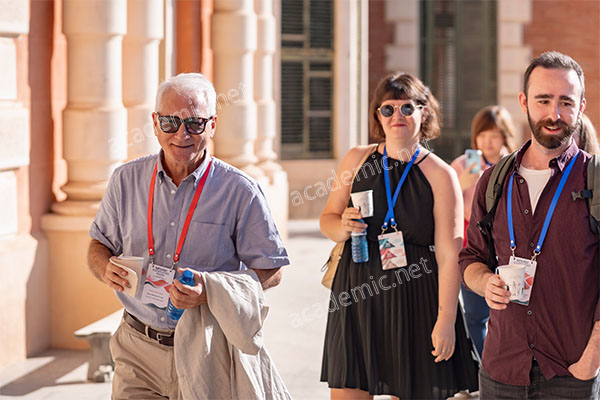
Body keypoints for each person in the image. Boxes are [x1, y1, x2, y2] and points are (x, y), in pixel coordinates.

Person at [87, 73, 290, 399]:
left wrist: (209, 291)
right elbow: (99, 245)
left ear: (212, 125)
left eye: (195, 123)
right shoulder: (125, 180)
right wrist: (104, 267)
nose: (182, 134)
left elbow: (272, 270)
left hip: (205, 349)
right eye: (170, 122)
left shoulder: (240, 191)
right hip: (136, 348)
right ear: (155, 123)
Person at [320, 72, 479, 399]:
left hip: (415, 298)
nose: (397, 116)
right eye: (388, 109)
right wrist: (343, 227)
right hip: (357, 295)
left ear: (424, 112)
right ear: (378, 115)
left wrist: (446, 320)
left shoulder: (440, 174)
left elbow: (449, 254)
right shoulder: (356, 159)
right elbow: (328, 219)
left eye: (407, 108)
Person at [459, 51, 600, 398]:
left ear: (581, 106)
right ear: (523, 102)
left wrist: (591, 359)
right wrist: (485, 282)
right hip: (501, 370)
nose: (554, 114)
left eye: (566, 102)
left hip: (571, 374)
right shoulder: (494, 180)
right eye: (543, 100)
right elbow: (470, 258)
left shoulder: (594, 179)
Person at [451, 105, 516, 357]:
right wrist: (460, 185)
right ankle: (484, 367)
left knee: (508, 313)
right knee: (476, 315)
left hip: (509, 247)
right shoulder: (461, 166)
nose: (487, 142)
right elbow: (443, 208)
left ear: (504, 136)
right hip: (473, 246)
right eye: (482, 135)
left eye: (494, 135)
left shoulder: (516, 163)